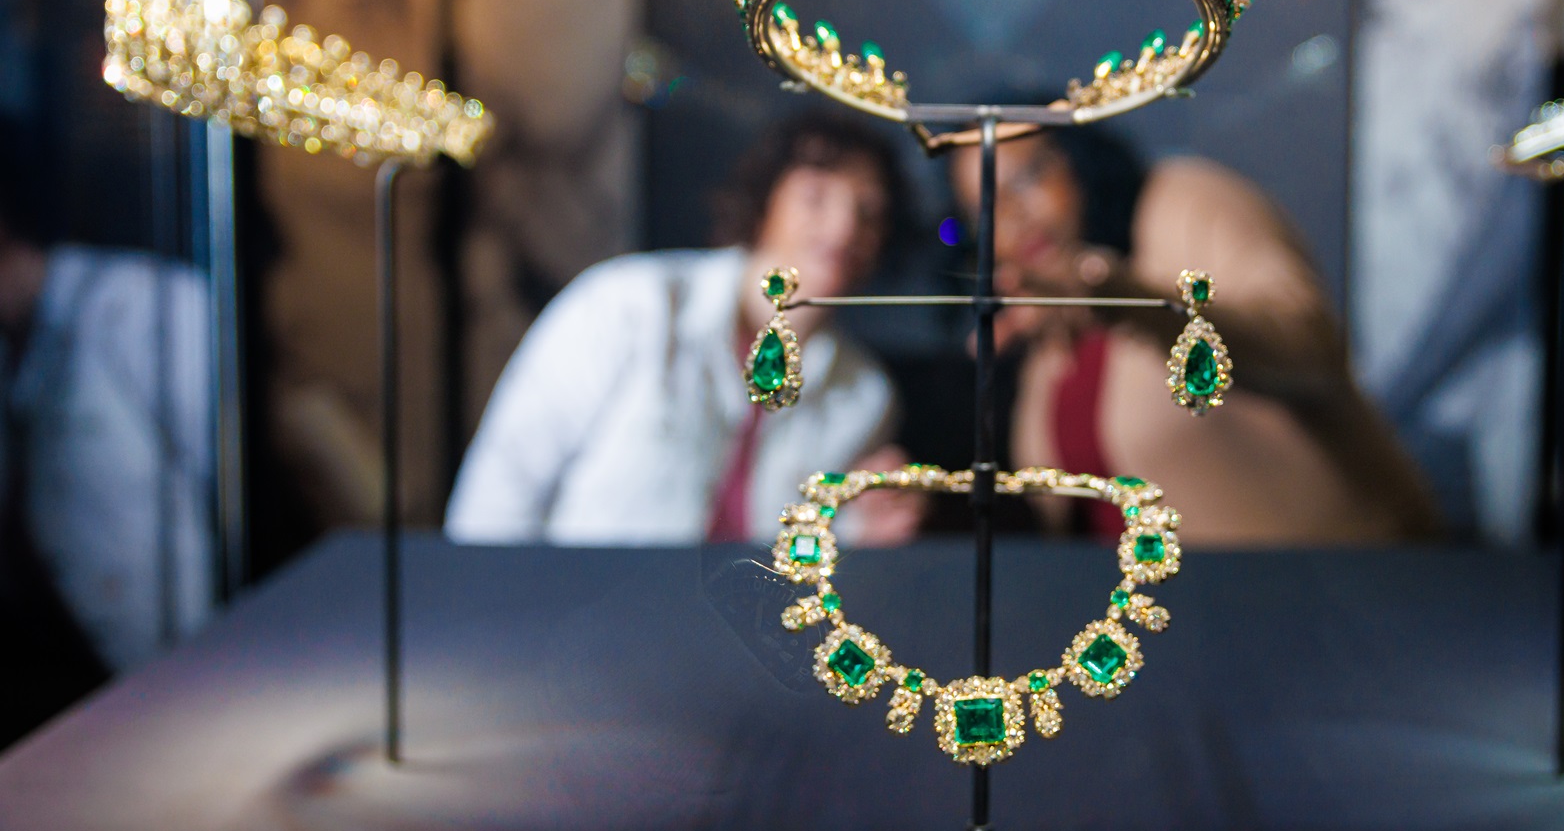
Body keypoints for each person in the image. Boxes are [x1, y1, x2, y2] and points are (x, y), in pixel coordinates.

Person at [949, 126, 1442, 545]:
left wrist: (1117, 294)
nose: (1012, 217)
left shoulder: (1179, 202)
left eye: (1027, 178)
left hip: (1341, 581)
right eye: (985, 210)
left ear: (1077, 157)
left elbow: (1307, 346)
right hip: (1166, 613)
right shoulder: (1045, 335)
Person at [445, 112, 908, 545]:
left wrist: (860, 529)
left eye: (869, 211)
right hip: (580, 602)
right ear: (766, 201)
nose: (844, 227)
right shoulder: (630, 306)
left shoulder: (865, 395)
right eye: (815, 197)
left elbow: (802, 549)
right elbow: (504, 482)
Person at [0, 184, 215, 744]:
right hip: (60, 682)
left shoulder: (142, 303)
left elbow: (233, 471)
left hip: (182, 680)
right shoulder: (15, 344)